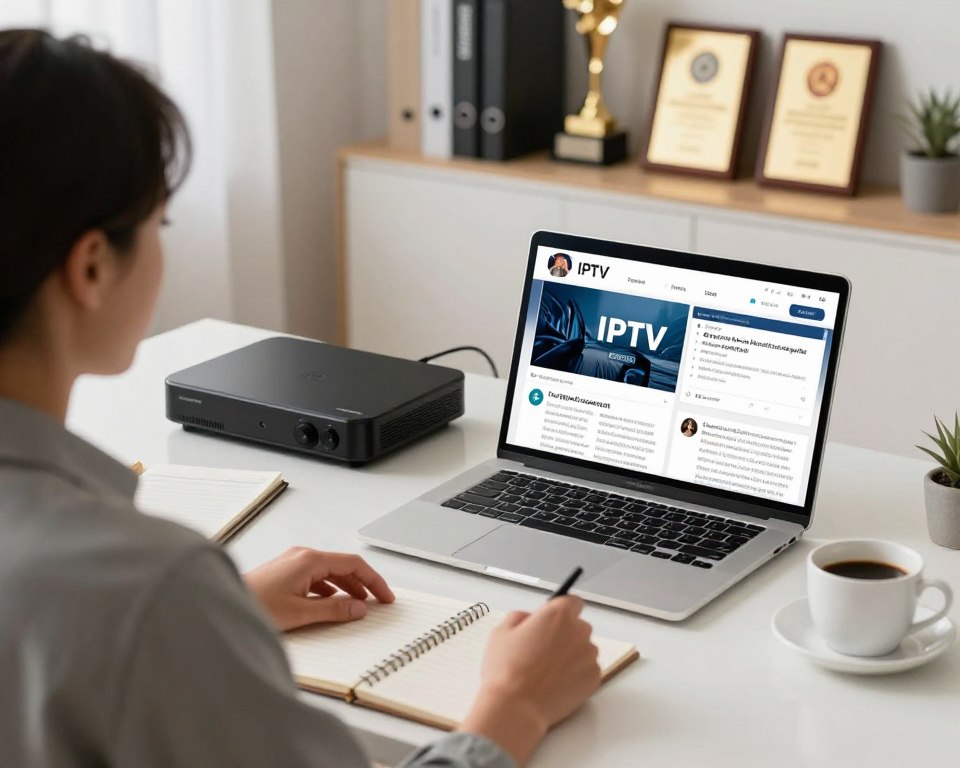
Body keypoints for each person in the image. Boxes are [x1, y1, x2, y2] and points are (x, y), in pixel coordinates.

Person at [0, 30, 601, 768]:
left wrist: (220, 617)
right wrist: (515, 702)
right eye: (161, 223)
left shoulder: (139, 597)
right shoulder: (145, 588)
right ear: (92, 268)